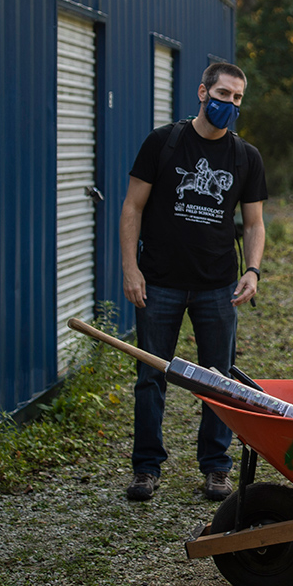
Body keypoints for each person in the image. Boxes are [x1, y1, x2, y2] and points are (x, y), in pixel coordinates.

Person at [119, 62, 268, 503]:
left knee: (218, 380)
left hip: (217, 287)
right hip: (159, 283)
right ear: (203, 92)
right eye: (223, 94)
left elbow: (255, 223)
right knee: (151, 377)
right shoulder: (163, 143)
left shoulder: (246, 157)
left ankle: (216, 469)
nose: (230, 104)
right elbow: (132, 208)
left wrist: (253, 270)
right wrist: (131, 268)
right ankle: (146, 469)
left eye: (238, 98)